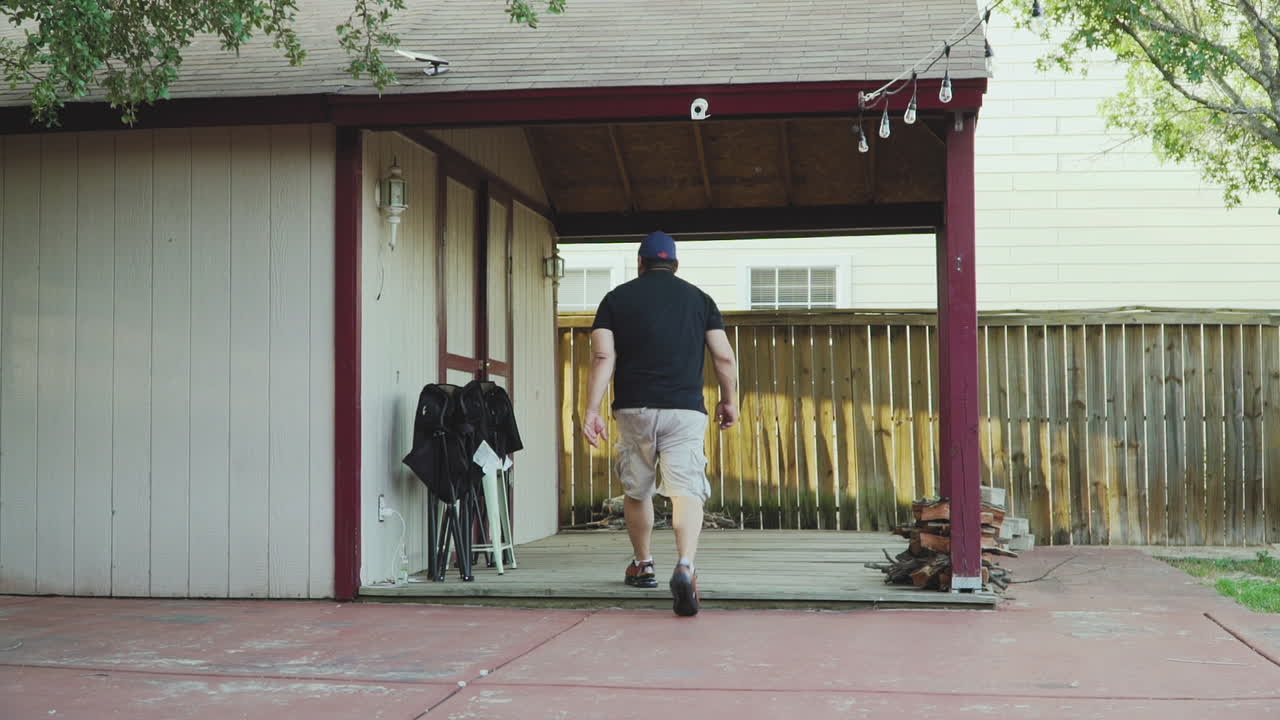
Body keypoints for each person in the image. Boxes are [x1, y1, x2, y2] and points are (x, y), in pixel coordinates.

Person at [582, 230, 738, 617]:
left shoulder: (615, 300)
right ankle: (685, 565)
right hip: (684, 410)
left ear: (640, 263)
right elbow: (723, 358)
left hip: (634, 409)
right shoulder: (700, 300)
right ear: (676, 264)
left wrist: (591, 409)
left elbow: (603, 357)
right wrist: (730, 400)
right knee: (686, 491)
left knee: (638, 490)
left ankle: (644, 563)